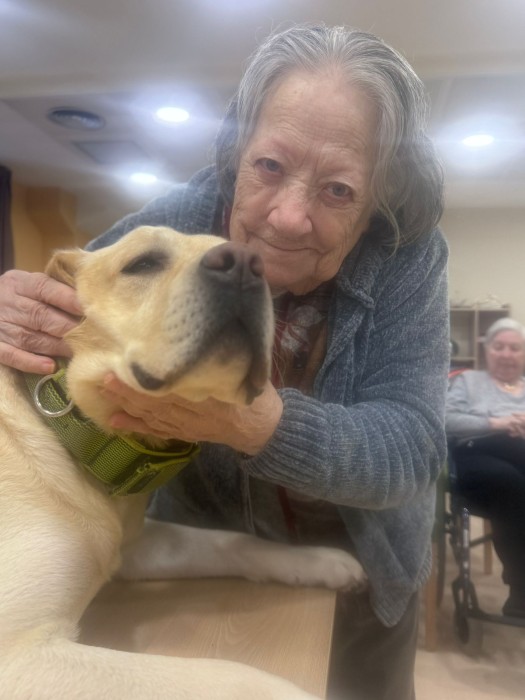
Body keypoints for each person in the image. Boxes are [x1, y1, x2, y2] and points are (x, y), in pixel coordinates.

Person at [0, 24, 449, 699]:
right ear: (235, 156)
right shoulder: (181, 215)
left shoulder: (407, 257)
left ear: (376, 204)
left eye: (337, 190)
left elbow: (412, 449)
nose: (288, 218)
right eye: (268, 167)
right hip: (200, 550)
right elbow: (79, 298)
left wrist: (257, 425)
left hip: (362, 555)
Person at [446, 317, 525, 618]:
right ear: (487, 351)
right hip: (476, 455)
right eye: (499, 347)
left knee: (516, 483)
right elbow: (446, 420)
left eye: (514, 348)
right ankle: (521, 589)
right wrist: (497, 423)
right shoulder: (468, 381)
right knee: (510, 481)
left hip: (518, 458)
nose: (506, 354)